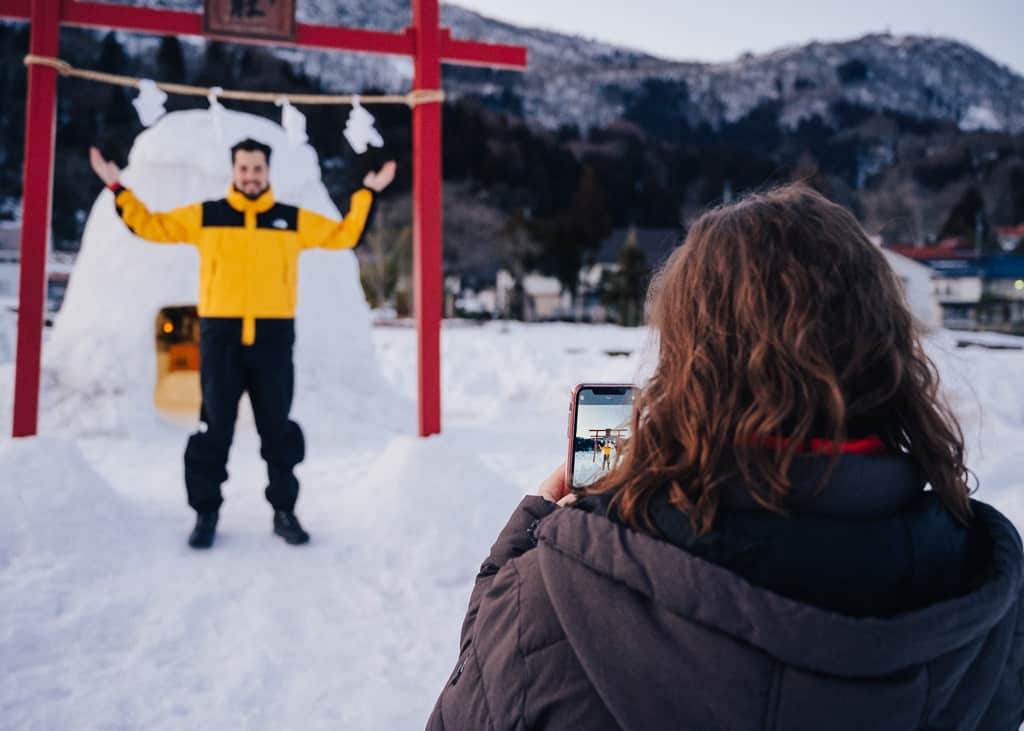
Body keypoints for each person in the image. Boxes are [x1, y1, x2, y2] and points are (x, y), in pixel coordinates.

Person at [428, 184, 1024, 730]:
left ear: (688, 362)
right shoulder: (984, 593)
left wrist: (523, 558)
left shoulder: (558, 597)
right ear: (884, 349)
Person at [89, 139, 396, 549]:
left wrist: (368, 192)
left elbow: (344, 235)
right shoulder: (209, 215)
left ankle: (284, 512)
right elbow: (151, 225)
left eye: (257, 169)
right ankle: (206, 513)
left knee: (278, 432)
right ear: (234, 171)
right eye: (244, 168)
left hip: (273, 340)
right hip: (221, 340)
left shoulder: (290, 219)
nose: (251, 176)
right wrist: (116, 187)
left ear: (268, 172)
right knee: (214, 430)